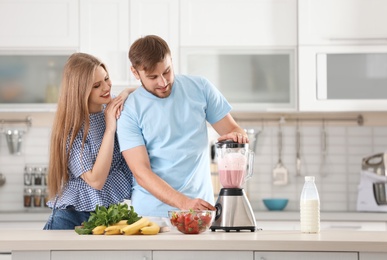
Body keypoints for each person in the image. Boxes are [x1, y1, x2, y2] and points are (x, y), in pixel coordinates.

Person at [117, 35, 249, 218]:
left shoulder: (200, 88)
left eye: (167, 71)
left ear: (171, 60)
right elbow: (141, 172)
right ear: (135, 72)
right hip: (151, 216)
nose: (163, 82)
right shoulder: (129, 110)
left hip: (200, 211)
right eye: (153, 77)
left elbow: (233, 130)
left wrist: (238, 136)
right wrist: (184, 203)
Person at [44, 53, 134, 230]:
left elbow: (140, 90)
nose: (106, 87)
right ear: (80, 90)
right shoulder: (72, 129)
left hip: (108, 212)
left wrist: (124, 93)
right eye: (96, 85)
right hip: (73, 216)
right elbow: (96, 181)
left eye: (107, 79)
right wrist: (110, 129)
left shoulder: (109, 105)